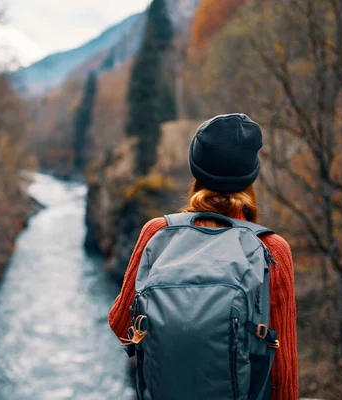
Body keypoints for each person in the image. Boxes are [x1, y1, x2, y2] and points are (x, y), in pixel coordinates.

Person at [108, 113, 298, 399]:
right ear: (251, 175)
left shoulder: (157, 232)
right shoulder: (271, 248)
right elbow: (283, 370)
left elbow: (121, 323)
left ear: (195, 169)